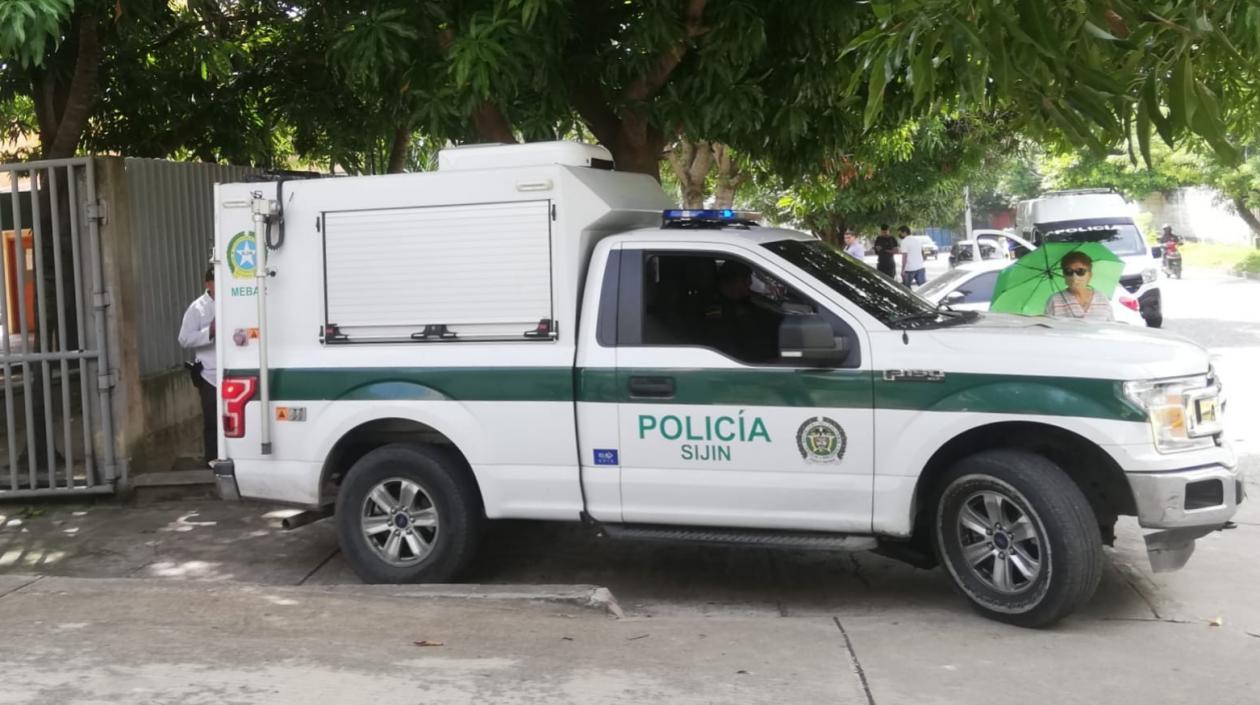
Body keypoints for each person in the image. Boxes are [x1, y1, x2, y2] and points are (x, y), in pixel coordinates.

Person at [702, 261, 781, 362]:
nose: (750, 283)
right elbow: (726, 344)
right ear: (731, 282)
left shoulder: (744, 300)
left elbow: (770, 315)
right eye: (746, 279)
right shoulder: (715, 309)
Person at [178, 266, 218, 463]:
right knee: (212, 420)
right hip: (209, 374)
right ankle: (212, 460)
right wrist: (209, 332)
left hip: (235, 371)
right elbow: (184, 339)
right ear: (207, 284)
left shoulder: (236, 302)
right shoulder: (197, 308)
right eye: (215, 282)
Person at [1044, 252, 1114, 322]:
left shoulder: (1102, 299)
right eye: (1068, 271)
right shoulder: (1055, 300)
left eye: (1080, 271)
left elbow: (1111, 326)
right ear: (1064, 276)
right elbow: (1047, 326)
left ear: (1090, 275)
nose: (1074, 276)